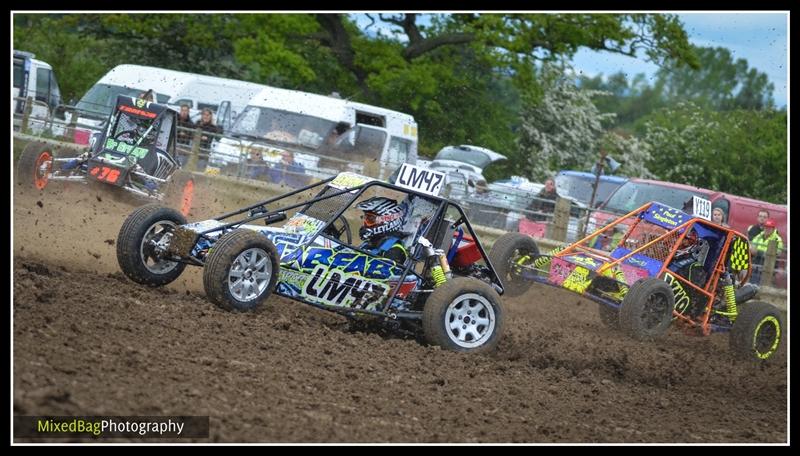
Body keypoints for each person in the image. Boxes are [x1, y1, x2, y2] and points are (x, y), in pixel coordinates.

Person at [356, 197, 410, 265]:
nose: (364, 224)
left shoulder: (394, 251)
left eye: (370, 220)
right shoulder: (374, 241)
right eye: (365, 218)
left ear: (388, 222)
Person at [749, 219, 784, 285]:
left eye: (769, 227)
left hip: (768, 267)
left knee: (763, 286)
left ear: (773, 229)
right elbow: (751, 247)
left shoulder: (777, 239)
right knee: (752, 283)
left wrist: (758, 252)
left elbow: (776, 254)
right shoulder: (759, 235)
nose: (767, 229)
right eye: (766, 227)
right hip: (756, 263)